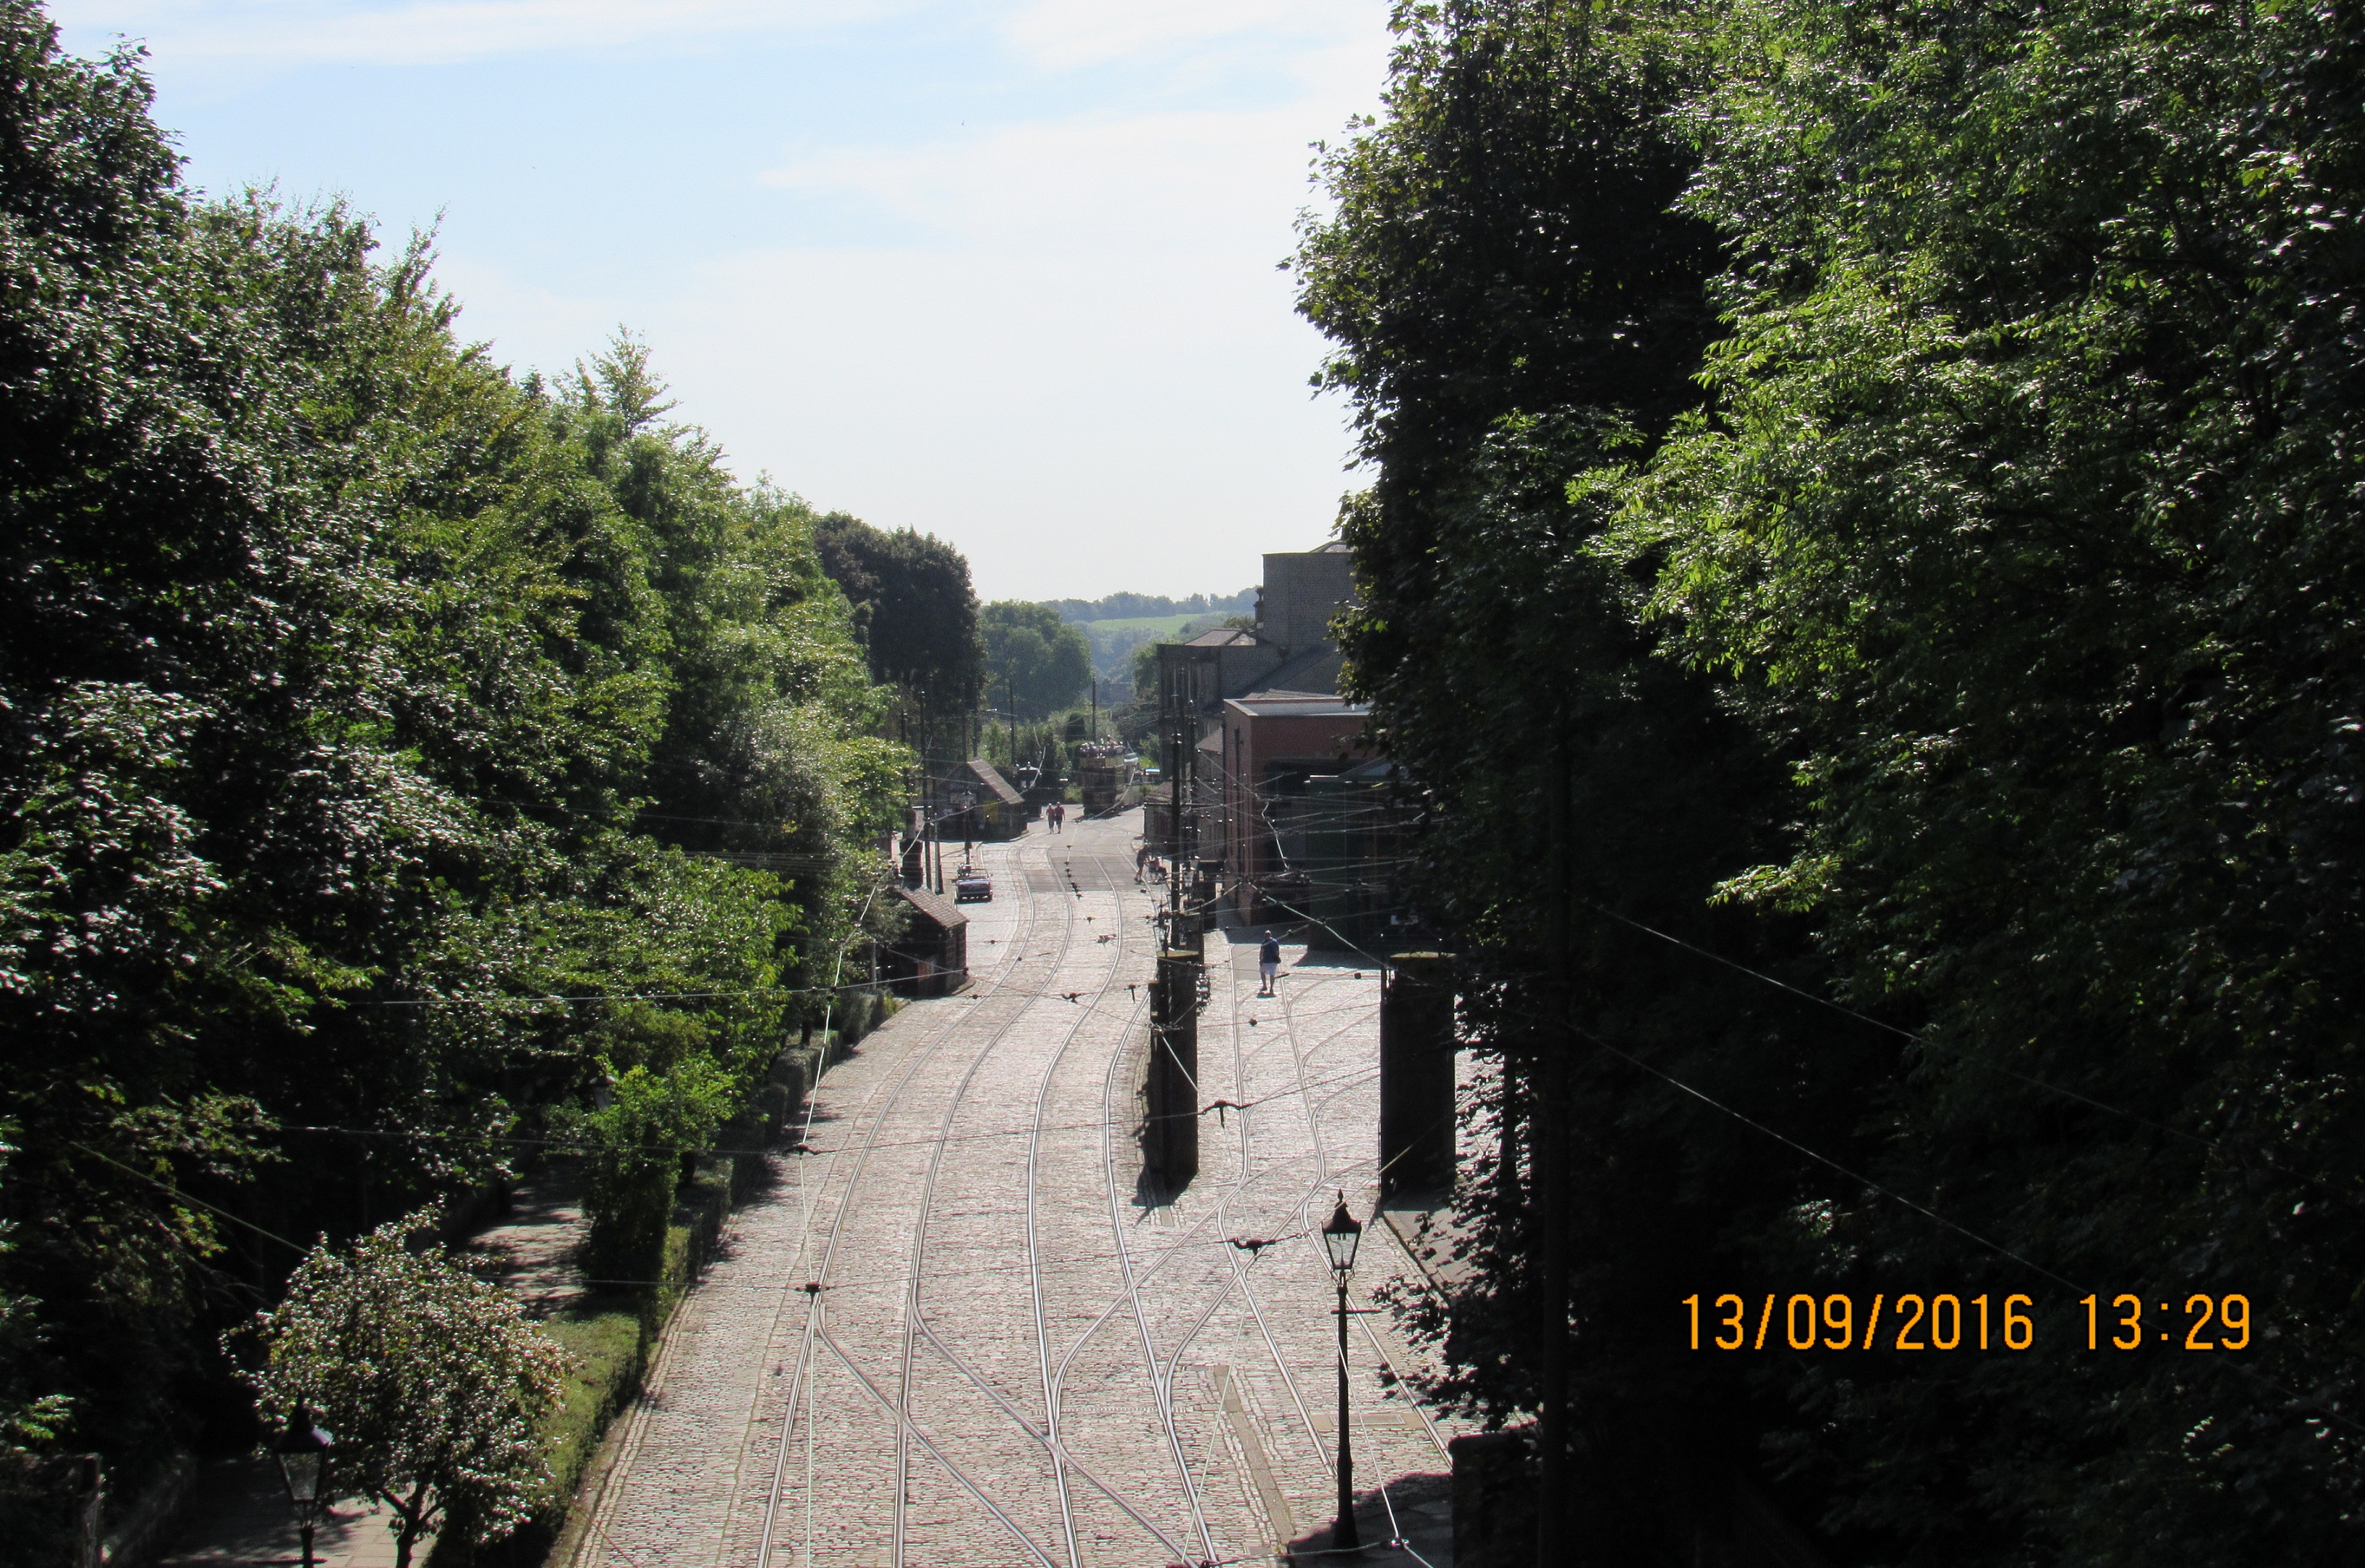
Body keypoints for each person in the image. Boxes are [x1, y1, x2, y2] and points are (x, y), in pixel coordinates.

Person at [1258, 930, 1281, 997]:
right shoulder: (1266, 942)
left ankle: (1271, 988)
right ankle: (1265, 985)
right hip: (1266, 961)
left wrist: (1277, 958)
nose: (1266, 937)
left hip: (1272, 961)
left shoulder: (1273, 942)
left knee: (1272, 975)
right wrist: (1261, 959)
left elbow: (1277, 951)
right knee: (1263, 973)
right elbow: (1262, 952)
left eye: (1267, 935)